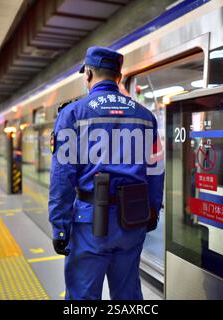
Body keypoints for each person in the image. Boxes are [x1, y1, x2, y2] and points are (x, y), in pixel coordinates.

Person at [48, 46, 164, 300]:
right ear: (119, 77)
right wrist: (152, 210)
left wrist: (59, 226)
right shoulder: (146, 116)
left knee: (83, 295)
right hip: (132, 219)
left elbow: (62, 177)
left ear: (88, 74)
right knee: (128, 293)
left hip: (90, 221)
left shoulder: (73, 114)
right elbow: (155, 170)